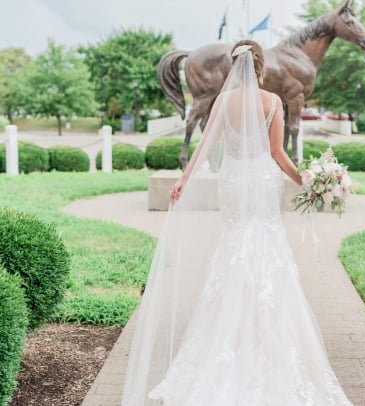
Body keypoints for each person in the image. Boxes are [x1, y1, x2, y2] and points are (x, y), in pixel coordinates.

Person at [122, 39, 352, 405]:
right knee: (265, 247)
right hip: (260, 181)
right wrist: (308, 182)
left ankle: (224, 331)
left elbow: (204, 144)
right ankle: (261, 336)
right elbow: (277, 153)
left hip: (231, 181)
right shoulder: (273, 102)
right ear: (261, 69)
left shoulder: (220, 103)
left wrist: (183, 179)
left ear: (233, 70)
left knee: (234, 246)